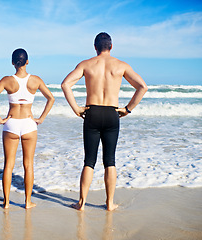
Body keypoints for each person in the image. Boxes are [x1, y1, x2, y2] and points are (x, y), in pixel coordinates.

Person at [61, 32, 148, 211]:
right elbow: (142, 87)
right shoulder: (121, 65)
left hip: (91, 113)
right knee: (110, 160)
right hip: (111, 114)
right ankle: (109, 204)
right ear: (111, 47)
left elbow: (65, 84)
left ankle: (81, 203)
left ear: (95, 47)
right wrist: (128, 109)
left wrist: (76, 108)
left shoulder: (86, 64)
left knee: (89, 161)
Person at [0, 48, 55, 209]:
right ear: (27, 61)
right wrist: (41, 118)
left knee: (8, 164)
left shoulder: (6, 80)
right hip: (29, 123)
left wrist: (0, 120)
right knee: (28, 165)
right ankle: (27, 202)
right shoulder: (35, 80)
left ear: (12, 62)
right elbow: (51, 98)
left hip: (11, 123)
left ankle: (6, 202)